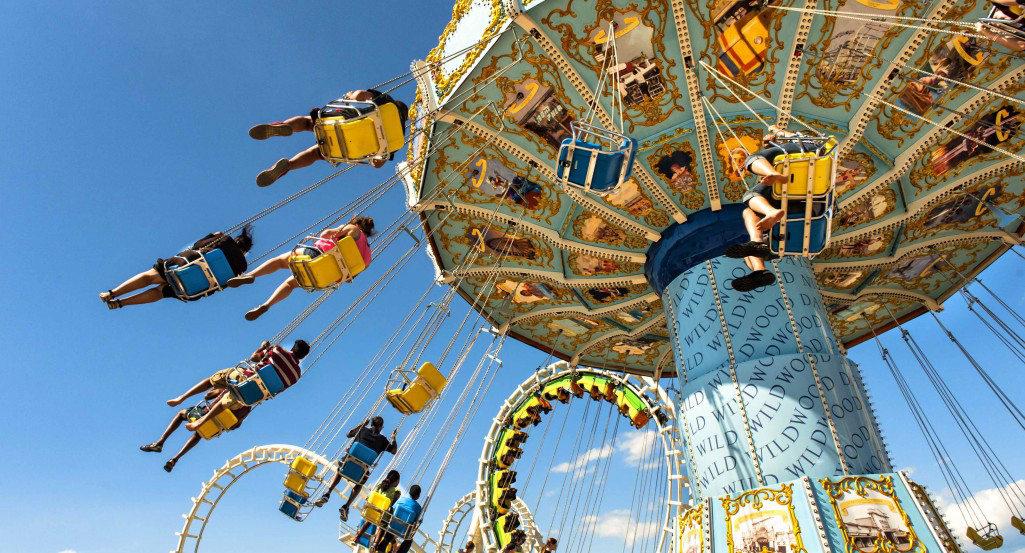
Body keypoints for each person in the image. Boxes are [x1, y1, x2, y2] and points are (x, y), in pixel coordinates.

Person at [725, 126, 830, 292]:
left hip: (801, 204)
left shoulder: (807, 143)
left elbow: (791, 137)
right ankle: (759, 270)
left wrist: (777, 132)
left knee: (752, 164)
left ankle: (769, 214)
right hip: (811, 212)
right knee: (749, 248)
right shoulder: (819, 176)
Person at [250, 89, 410, 187]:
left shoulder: (386, 101)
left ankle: (284, 126)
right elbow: (378, 163)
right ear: (404, 119)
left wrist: (350, 96)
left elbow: (360, 95)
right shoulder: (398, 138)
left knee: (309, 122)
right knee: (315, 154)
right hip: (348, 149)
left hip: (343, 123)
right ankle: (289, 165)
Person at [226, 216, 375, 320]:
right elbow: (349, 279)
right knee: (290, 284)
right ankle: (266, 305)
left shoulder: (353, 230)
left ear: (358, 224)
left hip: (316, 258)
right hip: (324, 279)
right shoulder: (368, 259)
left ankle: (251, 275)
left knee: (279, 261)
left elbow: (325, 234)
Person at [162, 339, 309, 437]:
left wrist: (263, 347)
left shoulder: (278, 351)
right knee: (227, 400)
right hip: (254, 394)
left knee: (213, 380)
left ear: (293, 348)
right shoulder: (296, 375)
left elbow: (254, 358)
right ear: (302, 357)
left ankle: (181, 398)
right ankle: (201, 421)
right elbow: (280, 389)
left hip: (244, 378)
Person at [99, 225, 254, 309]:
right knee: (159, 293)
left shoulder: (222, 239)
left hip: (181, 265)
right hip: (192, 286)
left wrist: (216, 234)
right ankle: (120, 303)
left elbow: (197, 245)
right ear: (246, 251)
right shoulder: (241, 268)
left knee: (149, 277)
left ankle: (112, 293)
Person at [140, 388, 252, 472]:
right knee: (198, 433)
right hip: (215, 427)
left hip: (204, 415)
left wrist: (217, 389)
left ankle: (159, 443)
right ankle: (175, 459)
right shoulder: (247, 407)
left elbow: (207, 396)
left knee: (181, 414)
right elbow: (235, 426)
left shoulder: (230, 390)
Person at [314, 415, 399, 521]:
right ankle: (347, 506)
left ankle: (327, 493)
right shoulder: (383, 440)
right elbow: (394, 451)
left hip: (347, 464)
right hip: (361, 473)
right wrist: (393, 438)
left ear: (371, 424)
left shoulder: (362, 430)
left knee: (339, 471)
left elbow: (348, 434)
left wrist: (362, 425)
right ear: (381, 427)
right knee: (359, 484)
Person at [352, 470, 401, 545]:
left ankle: (357, 536)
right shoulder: (396, 492)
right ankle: (375, 544)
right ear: (396, 481)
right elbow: (392, 504)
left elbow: (372, 496)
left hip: (372, 512)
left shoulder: (379, 486)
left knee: (369, 520)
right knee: (383, 526)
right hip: (383, 517)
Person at [384, 483, 424, 553]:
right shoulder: (418, 508)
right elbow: (415, 521)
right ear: (418, 496)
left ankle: (382, 547)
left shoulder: (401, 500)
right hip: (404, 532)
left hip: (392, 526)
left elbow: (393, 509)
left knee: (390, 531)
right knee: (409, 540)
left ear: (409, 492)